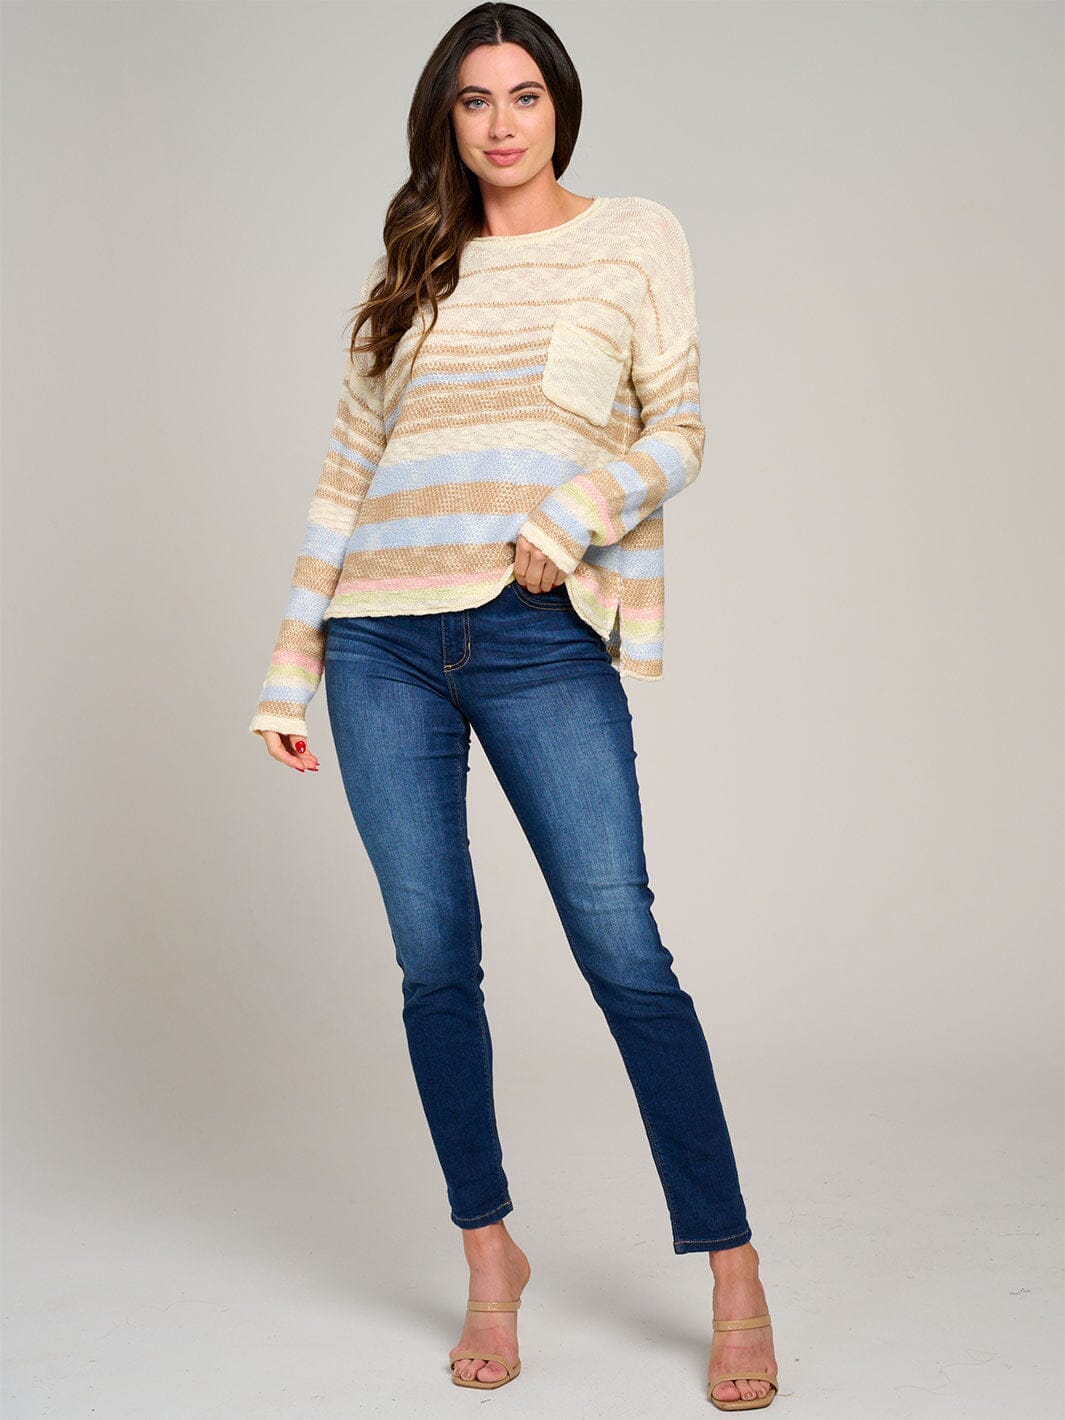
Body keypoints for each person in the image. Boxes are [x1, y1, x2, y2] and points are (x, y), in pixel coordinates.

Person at [248, 3, 780, 1409]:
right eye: (475, 100)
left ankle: (730, 1266)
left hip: (540, 632)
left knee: (624, 952)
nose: (500, 123)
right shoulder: (415, 263)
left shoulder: (633, 237)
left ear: (561, 108)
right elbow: (347, 473)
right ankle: (490, 1257)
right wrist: (291, 663)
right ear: (448, 116)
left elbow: (679, 426)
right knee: (435, 964)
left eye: (524, 95)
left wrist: (572, 513)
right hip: (378, 642)